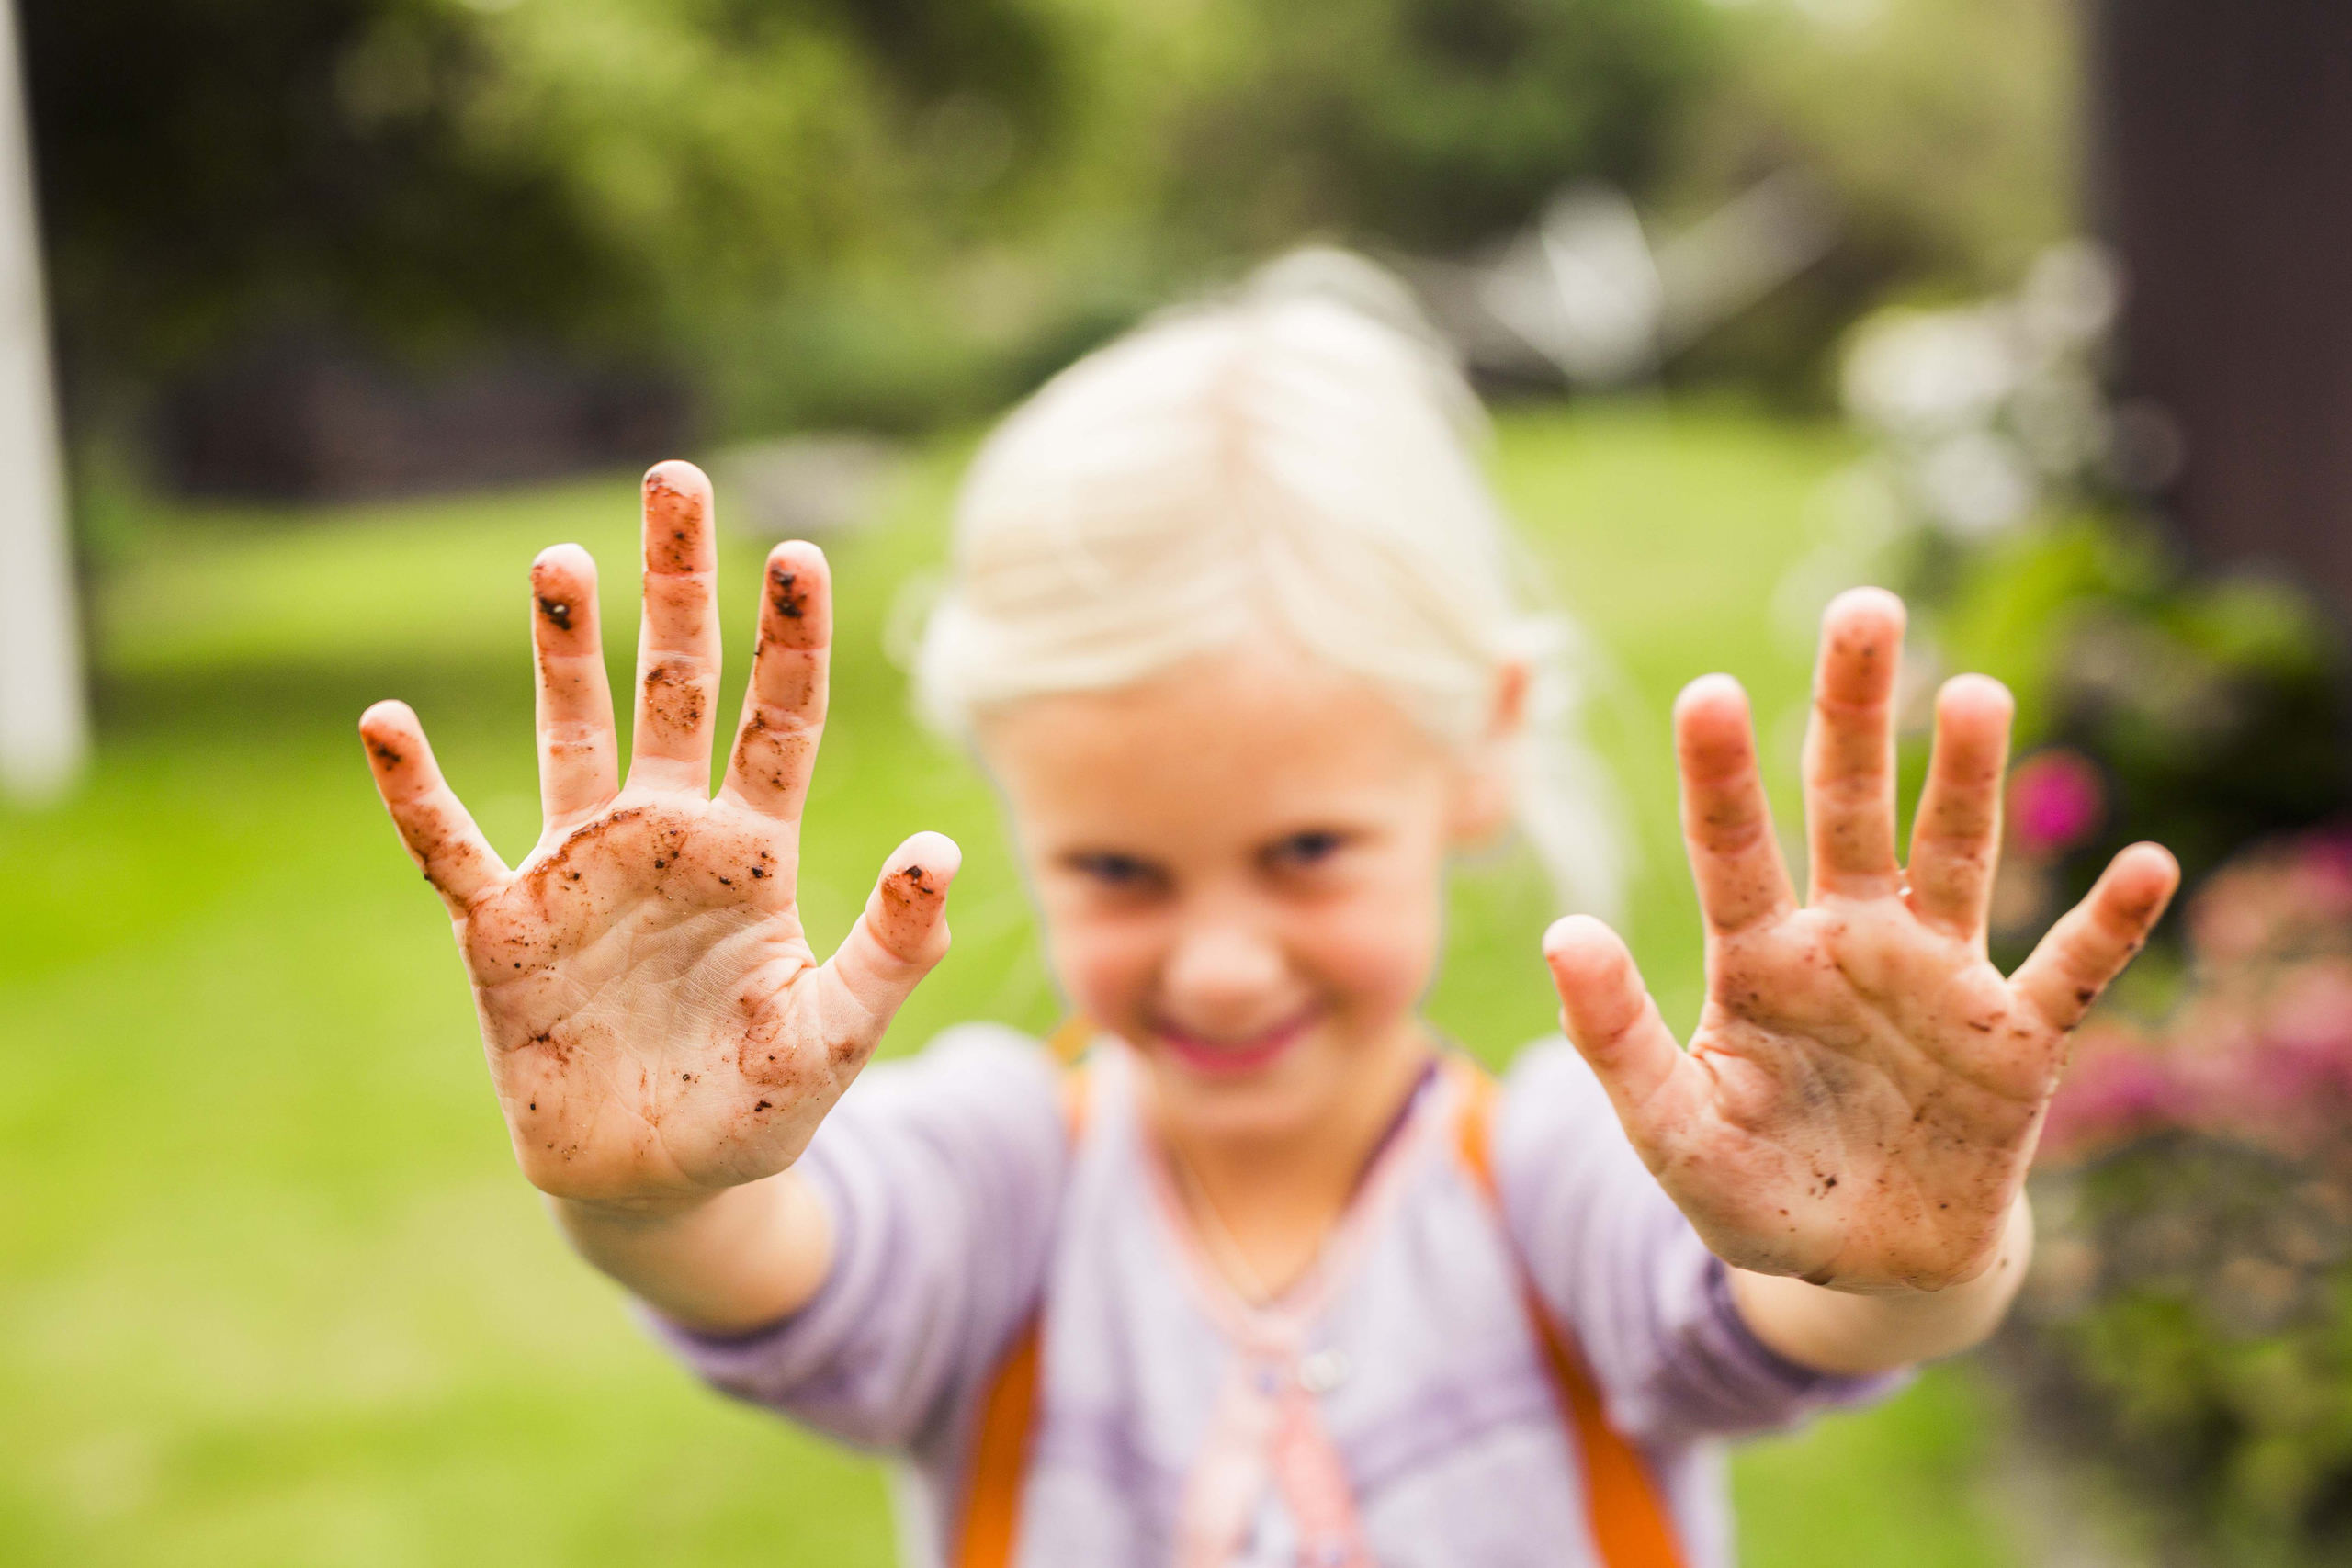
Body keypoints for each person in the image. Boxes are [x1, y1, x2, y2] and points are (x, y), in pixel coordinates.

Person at [356, 258, 2178, 1568]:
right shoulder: (1001, 1183)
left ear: (1478, 754)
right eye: (1117, 871)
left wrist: (1913, 1254)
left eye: (1305, 850)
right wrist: (654, 1193)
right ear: (1015, 802)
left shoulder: (1557, 1183)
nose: (1221, 965)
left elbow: (1793, 1310)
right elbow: (776, 1271)